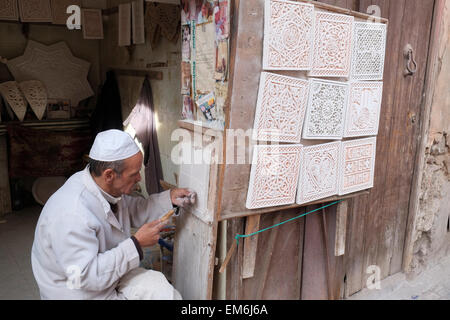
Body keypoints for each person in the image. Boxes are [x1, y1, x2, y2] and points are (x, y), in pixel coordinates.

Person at [31, 129, 196, 300]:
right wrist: (137, 243)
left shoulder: (103, 187)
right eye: (134, 174)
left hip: (108, 273)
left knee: (163, 291)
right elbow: (86, 277)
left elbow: (134, 209)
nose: (139, 178)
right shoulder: (71, 213)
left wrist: (169, 198)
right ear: (109, 174)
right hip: (78, 290)